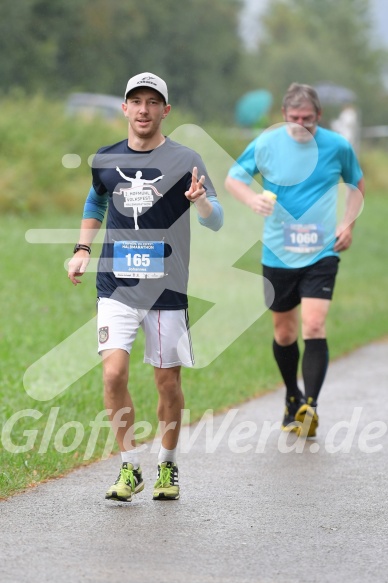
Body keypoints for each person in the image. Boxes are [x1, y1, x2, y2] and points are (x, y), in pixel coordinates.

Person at [68, 72, 223, 501]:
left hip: (165, 290)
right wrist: (83, 247)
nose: (143, 109)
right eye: (135, 101)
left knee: (166, 383)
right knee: (114, 372)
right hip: (115, 284)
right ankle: (129, 467)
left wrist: (202, 201)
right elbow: (96, 198)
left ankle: (168, 467)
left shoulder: (185, 159)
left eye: (152, 102)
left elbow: (216, 220)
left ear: (165, 110)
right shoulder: (105, 158)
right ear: (124, 108)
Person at [225, 82, 364, 437]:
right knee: (284, 332)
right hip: (278, 251)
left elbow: (356, 185)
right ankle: (292, 397)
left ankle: (310, 407)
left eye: (308, 119)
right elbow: (233, 180)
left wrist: (347, 223)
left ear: (319, 115)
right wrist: (253, 200)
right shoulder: (267, 144)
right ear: (284, 116)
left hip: (322, 251)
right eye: (294, 119)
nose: (301, 125)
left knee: (314, 325)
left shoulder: (337, 146)